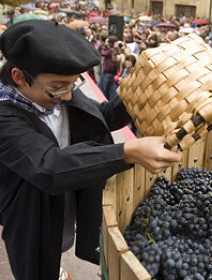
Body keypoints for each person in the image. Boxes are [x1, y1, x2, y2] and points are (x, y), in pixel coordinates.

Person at [0, 20, 182, 280]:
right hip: (32, 206)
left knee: (65, 237)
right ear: (19, 77)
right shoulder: (5, 115)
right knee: (37, 260)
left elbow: (101, 116)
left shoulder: (61, 90)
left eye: (72, 85)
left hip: (70, 188)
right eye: (57, 87)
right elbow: (49, 165)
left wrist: (143, 92)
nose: (65, 96)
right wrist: (126, 151)